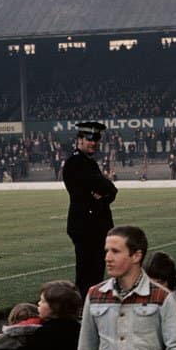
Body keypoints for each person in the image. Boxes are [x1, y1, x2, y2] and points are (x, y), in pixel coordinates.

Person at [63, 121, 118, 298]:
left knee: (95, 272)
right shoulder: (76, 162)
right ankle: (86, 311)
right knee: (88, 274)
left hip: (94, 225)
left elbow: (111, 190)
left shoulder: (87, 163)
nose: (93, 143)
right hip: (86, 226)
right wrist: (102, 195)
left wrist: (102, 194)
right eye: (89, 139)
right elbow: (87, 195)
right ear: (79, 140)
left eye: (96, 140)